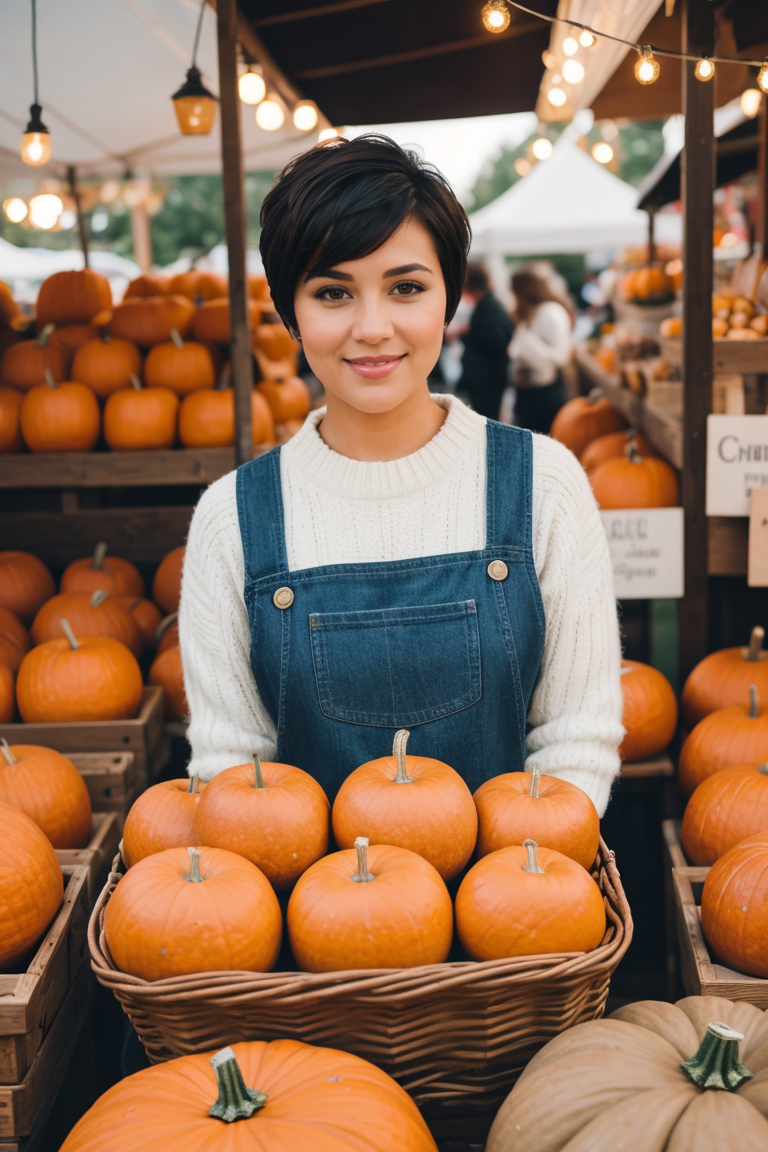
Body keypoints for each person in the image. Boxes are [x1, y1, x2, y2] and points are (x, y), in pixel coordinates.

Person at [179, 134, 623, 817]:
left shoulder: (544, 485)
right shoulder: (232, 517)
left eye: (406, 287)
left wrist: (518, 900)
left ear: (450, 299)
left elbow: (575, 745)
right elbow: (233, 773)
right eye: (332, 292)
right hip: (305, 914)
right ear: (288, 311)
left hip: (520, 905)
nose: (373, 327)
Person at [509, 267, 573, 434]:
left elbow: (561, 356)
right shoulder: (528, 315)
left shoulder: (550, 312)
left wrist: (533, 349)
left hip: (546, 395)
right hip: (528, 394)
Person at [456, 263, 513, 419]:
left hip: (488, 381)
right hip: (486, 380)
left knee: (486, 419)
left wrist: (469, 333)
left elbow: (497, 341)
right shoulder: (486, 305)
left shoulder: (489, 308)